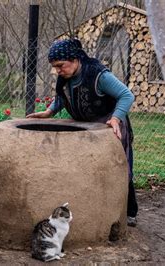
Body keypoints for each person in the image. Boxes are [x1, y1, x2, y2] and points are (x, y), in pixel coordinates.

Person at [26, 38, 138, 227]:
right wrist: (49, 111)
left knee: (120, 168)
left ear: (75, 58)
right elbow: (62, 96)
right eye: (55, 67)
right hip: (86, 126)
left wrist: (116, 118)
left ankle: (128, 212)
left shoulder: (98, 74)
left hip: (109, 125)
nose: (58, 71)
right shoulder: (66, 77)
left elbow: (126, 95)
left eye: (60, 65)